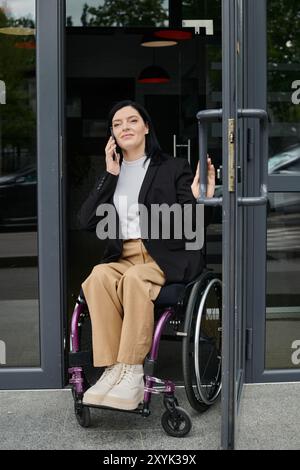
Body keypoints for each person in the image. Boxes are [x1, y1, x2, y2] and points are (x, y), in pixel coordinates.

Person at [78, 100, 215, 410]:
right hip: (123, 253)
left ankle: (132, 370)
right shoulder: (112, 172)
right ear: (112, 135)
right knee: (98, 277)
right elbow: (85, 221)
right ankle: (113, 369)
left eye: (132, 121)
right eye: (117, 124)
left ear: (146, 127)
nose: (124, 127)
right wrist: (110, 175)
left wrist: (198, 199)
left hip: (163, 257)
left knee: (135, 279)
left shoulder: (172, 167)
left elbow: (193, 226)